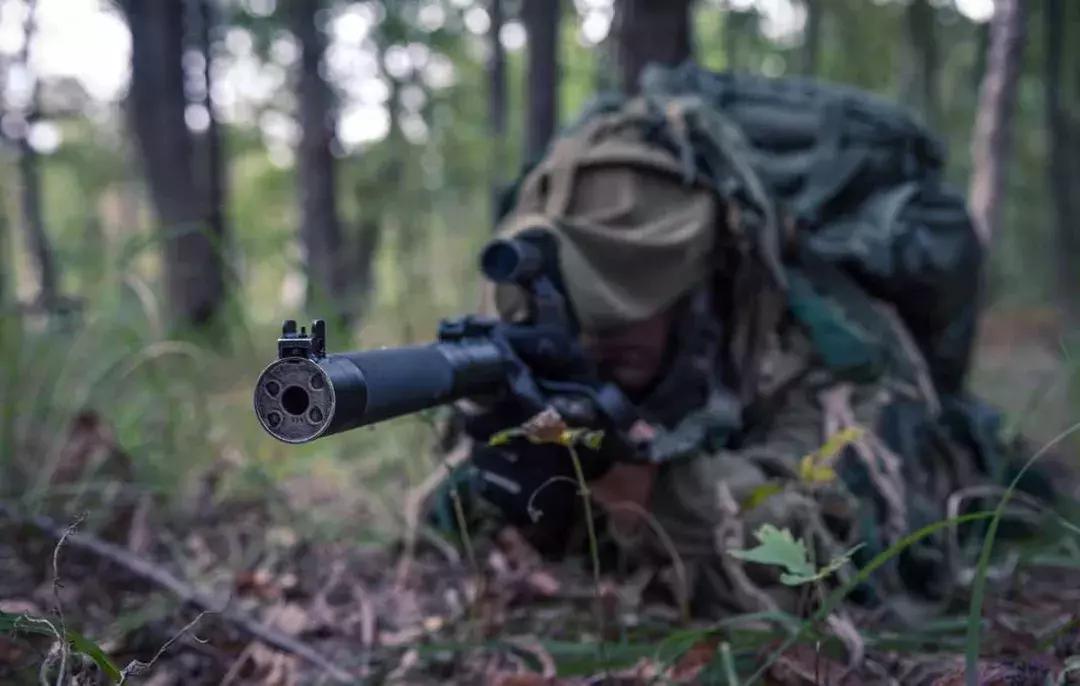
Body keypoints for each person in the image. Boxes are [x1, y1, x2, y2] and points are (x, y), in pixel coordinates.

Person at [448, 65, 1039, 616]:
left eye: (635, 304)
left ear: (708, 279)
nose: (601, 334)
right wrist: (512, 460)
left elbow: (834, 555)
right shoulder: (550, 341)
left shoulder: (827, 344)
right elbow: (455, 515)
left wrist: (640, 485)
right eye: (578, 309)